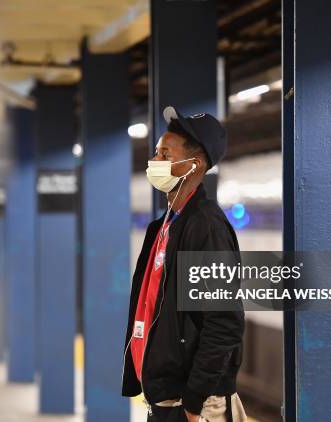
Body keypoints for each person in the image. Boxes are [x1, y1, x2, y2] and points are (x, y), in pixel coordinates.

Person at [122, 106, 246, 422]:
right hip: (165, 401)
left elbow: (223, 322)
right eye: (156, 152)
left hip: (194, 406)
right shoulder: (163, 226)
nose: (155, 161)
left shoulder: (206, 228)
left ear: (193, 165)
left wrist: (194, 401)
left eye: (165, 154)